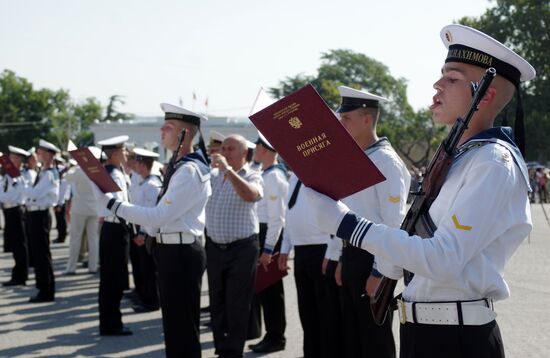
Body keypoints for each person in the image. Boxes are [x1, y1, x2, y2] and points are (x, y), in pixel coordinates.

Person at [303, 24, 536, 357]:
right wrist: (386, 268)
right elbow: (422, 237)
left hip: (456, 339)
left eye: (452, 78)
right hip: (424, 331)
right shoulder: (460, 158)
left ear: (485, 94)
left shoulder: (492, 162)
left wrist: (347, 224)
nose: (437, 86)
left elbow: (443, 259)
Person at [93, 103, 210, 357]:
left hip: (180, 252)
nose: (161, 130)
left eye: (168, 127)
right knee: (175, 327)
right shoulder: (181, 167)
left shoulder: (189, 171)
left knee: (182, 329)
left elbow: (159, 216)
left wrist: (115, 205)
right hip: (171, 249)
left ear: (184, 135)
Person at [332, 86, 411, 358]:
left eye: (347, 119)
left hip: (374, 259)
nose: (340, 124)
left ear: (367, 120)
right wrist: (343, 258)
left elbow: (393, 223)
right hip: (353, 255)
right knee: (353, 337)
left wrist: (381, 272)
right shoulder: (357, 158)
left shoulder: (385, 161)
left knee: (374, 341)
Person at [205, 134, 264, 358]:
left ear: (244, 154)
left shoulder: (253, 175)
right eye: (223, 148)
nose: (224, 153)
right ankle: (221, 348)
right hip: (215, 247)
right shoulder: (212, 176)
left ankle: (233, 352)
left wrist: (229, 171)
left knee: (237, 304)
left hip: (242, 248)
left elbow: (251, 195)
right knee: (217, 301)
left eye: (230, 149)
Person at [277, 173, 335, 358]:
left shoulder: (322, 172)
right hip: (301, 251)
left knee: (325, 312)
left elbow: (336, 211)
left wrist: (331, 252)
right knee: (307, 311)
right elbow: (289, 214)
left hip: (322, 249)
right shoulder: (294, 177)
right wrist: (285, 248)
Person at [248, 132, 289, 353]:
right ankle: (271, 334)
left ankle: (276, 337)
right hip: (263, 234)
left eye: (257, 147)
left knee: (272, 291)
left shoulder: (274, 177)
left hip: (269, 236)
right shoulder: (266, 173)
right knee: (265, 290)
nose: (254, 150)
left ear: (265, 150)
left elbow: (277, 218)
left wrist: (268, 249)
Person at [95, 135, 131, 336]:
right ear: (116, 153)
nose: (126, 154)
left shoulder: (109, 172)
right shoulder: (114, 175)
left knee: (111, 278)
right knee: (113, 279)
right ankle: (112, 323)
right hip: (115, 229)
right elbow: (119, 205)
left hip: (112, 229)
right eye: (124, 151)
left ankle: (109, 321)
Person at [25, 139, 60, 302]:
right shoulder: (44, 172)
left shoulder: (49, 174)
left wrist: (21, 186)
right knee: (39, 254)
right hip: (35, 215)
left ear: (47, 154)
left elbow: (34, 194)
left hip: (41, 215)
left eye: (40, 152)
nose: (38, 155)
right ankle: (43, 288)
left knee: (42, 254)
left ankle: (46, 290)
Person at [127, 147, 162, 313]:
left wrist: (142, 233)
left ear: (143, 165)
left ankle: (152, 300)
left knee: (149, 268)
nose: (135, 165)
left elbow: (149, 212)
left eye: (138, 163)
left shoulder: (152, 185)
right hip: (140, 230)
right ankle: (143, 295)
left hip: (147, 232)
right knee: (142, 266)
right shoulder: (143, 182)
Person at [63, 146, 101, 275]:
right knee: (93, 239)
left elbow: (66, 177)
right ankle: (93, 266)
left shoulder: (79, 170)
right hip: (94, 209)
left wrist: (74, 164)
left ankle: (71, 267)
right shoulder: (98, 170)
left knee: (75, 238)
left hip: (79, 208)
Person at [0, 146, 30, 286]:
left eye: (11, 157)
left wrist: (2, 196)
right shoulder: (8, 175)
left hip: (16, 210)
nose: (7, 159)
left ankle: (21, 276)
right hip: (9, 211)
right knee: (15, 244)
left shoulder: (21, 176)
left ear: (18, 159)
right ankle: (17, 274)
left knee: (19, 245)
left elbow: (12, 196)